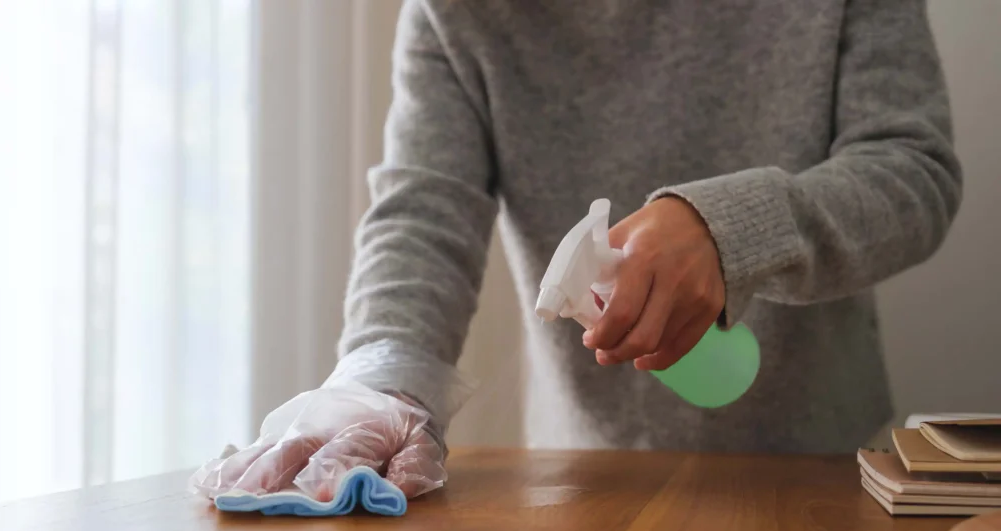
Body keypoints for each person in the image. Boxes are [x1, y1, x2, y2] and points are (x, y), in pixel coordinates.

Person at [193, 0, 961, 501]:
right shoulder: (455, 13)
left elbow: (912, 172)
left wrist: (729, 228)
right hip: (590, 485)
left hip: (823, 476)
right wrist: (379, 383)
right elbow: (424, 212)